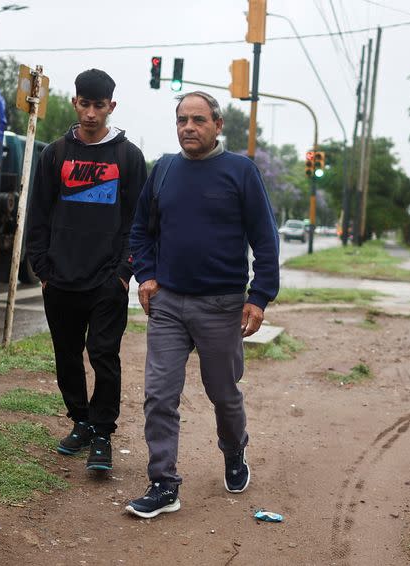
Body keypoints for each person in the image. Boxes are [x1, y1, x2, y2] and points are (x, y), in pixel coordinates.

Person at [125, 91, 280, 518]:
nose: (188, 128)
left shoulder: (241, 171)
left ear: (217, 124)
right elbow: (140, 230)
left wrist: (259, 296)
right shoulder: (164, 171)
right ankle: (163, 483)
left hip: (222, 305)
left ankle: (234, 450)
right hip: (169, 303)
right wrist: (148, 275)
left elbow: (265, 240)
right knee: (159, 395)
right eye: (181, 120)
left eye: (197, 120)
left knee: (223, 393)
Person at [26, 69, 146, 472]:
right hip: (60, 277)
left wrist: (123, 271)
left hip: (106, 280)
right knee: (67, 355)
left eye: (99, 105)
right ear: (75, 102)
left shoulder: (128, 157)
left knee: (104, 355)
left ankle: (102, 435)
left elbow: (138, 221)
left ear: (111, 107)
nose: (91, 113)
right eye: (85, 103)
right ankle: (80, 421)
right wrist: (42, 266)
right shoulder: (55, 154)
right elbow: (38, 214)